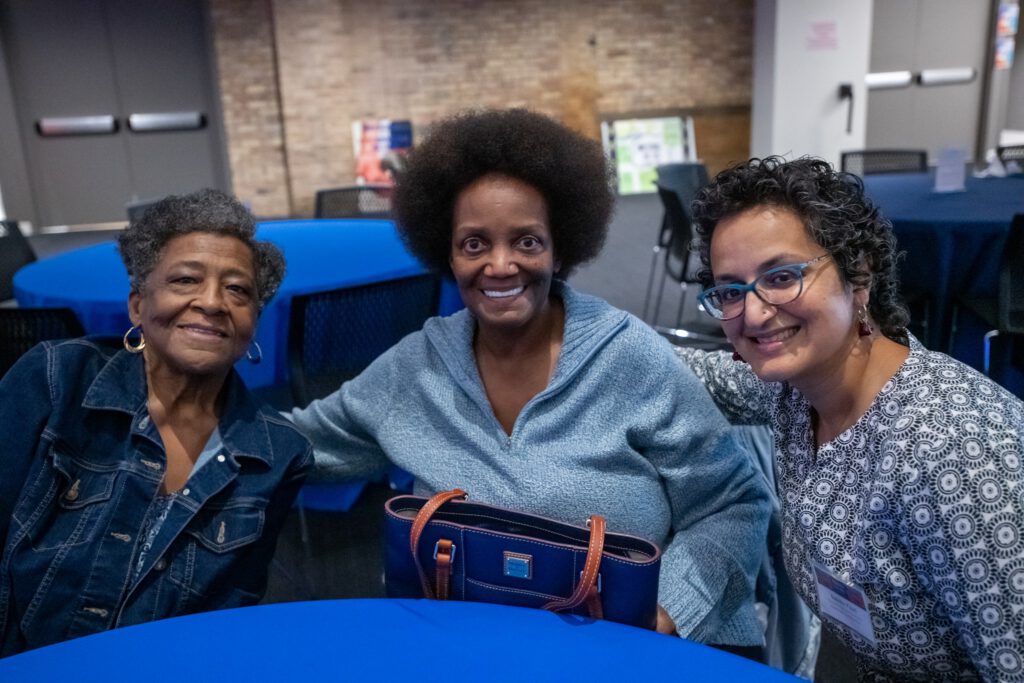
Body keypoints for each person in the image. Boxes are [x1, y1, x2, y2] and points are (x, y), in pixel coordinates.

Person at [290, 108, 771, 649]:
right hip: (472, 649)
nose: (500, 265)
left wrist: (665, 616)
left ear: (560, 247)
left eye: (527, 242)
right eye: (474, 244)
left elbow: (733, 502)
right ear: (446, 253)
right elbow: (299, 444)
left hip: (625, 654)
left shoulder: (630, 357)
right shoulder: (417, 366)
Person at [676, 156, 1024, 680]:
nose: (752, 313)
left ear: (857, 277)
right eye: (731, 291)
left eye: (782, 276)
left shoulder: (952, 453)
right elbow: (702, 375)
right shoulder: (797, 389)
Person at [0, 189, 312, 656]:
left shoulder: (278, 454)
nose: (212, 302)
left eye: (238, 290)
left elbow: (232, 613)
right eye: (186, 280)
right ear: (137, 306)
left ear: (254, 320)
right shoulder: (56, 381)